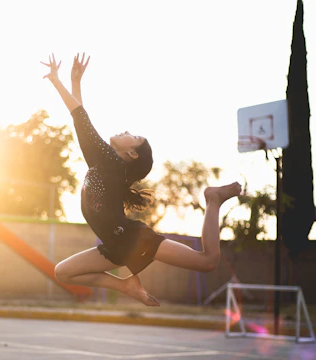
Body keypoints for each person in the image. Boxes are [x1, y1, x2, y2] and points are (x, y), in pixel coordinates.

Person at [41, 53, 242, 306]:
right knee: (63, 272)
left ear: (132, 153)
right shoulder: (101, 163)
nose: (126, 131)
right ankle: (126, 285)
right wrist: (76, 84)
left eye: (133, 136)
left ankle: (213, 199)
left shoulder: (111, 163)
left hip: (133, 240)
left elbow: (81, 118)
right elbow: (79, 121)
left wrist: (57, 81)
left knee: (208, 262)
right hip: (115, 246)